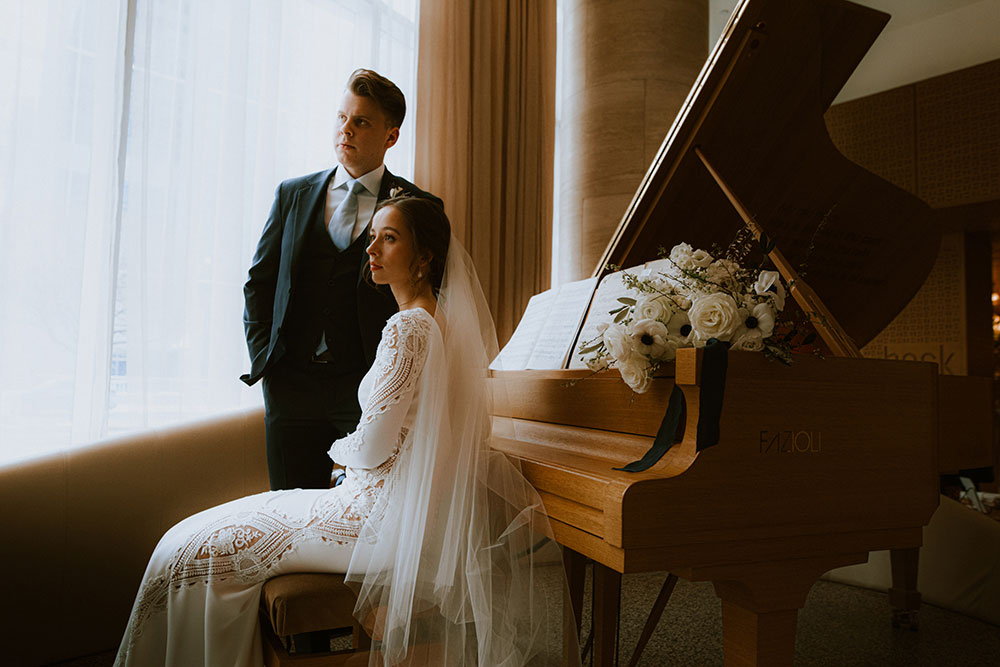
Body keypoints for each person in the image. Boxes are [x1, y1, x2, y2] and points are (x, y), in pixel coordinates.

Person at [115, 197, 579, 666]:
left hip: (370, 522)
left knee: (193, 549)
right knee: (195, 536)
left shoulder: (408, 329)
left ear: (424, 258)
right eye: (372, 235)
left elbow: (373, 445)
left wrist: (340, 454)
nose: (371, 247)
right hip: (385, 512)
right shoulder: (437, 321)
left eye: (389, 238)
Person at [242, 68, 442, 492]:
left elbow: (429, 291)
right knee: (288, 513)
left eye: (361, 121)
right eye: (341, 118)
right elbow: (260, 281)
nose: (345, 130)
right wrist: (267, 359)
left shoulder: (419, 207)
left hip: (365, 388)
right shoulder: (292, 194)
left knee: (359, 518)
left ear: (391, 136)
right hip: (290, 387)